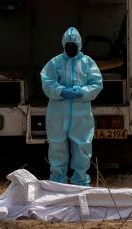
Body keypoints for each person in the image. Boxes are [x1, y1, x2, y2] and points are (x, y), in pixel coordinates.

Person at [40, 27, 103, 186]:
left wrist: (82, 91)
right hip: (58, 114)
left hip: (80, 115)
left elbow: (97, 83)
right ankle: (57, 180)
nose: (71, 47)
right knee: (57, 146)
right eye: (68, 44)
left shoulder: (88, 63)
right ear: (63, 44)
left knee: (82, 146)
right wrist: (61, 91)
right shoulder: (55, 63)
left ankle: (81, 181)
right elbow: (47, 81)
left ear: (79, 45)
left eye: (73, 44)